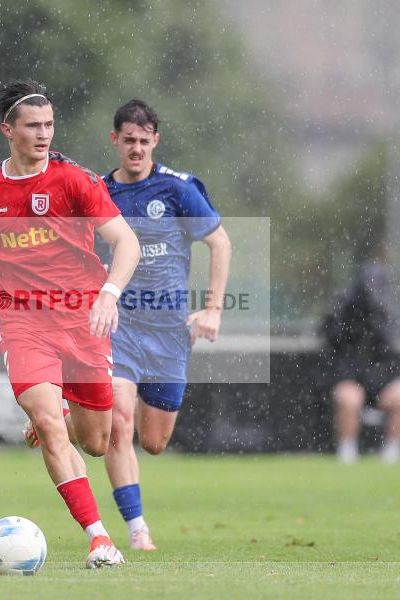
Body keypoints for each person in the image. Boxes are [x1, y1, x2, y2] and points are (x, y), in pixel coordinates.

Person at [0, 79, 141, 568]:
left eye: (49, 124)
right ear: (8, 130)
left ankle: (64, 420)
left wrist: (109, 294)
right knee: (48, 424)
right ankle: (99, 538)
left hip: (85, 321)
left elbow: (126, 243)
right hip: (24, 322)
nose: (44, 133)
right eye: (33, 126)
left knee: (95, 441)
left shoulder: (75, 181)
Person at [101, 99, 231, 550]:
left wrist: (212, 308)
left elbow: (220, 243)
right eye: (128, 140)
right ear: (114, 140)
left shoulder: (177, 189)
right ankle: (138, 530)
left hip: (168, 333)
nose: (136, 149)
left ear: (155, 140)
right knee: (117, 424)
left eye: (144, 140)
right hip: (118, 327)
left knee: (153, 441)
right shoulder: (100, 193)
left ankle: (131, 399)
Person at [321, 260, 400, 464]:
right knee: (349, 397)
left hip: (379, 382)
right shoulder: (343, 308)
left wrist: (377, 318)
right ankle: (347, 452)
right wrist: (344, 314)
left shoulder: (385, 311)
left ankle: (391, 456)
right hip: (350, 379)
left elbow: (389, 346)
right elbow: (330, 339)